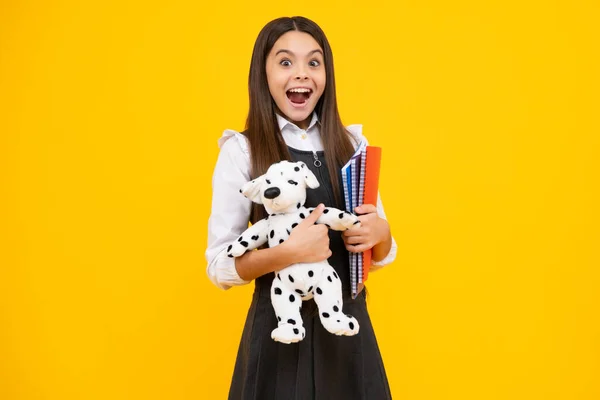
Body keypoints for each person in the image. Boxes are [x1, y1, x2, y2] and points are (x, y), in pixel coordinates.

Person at [205, 16, 398, 400]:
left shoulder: (351, 145)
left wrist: (381, 234)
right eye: (285, 62)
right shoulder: (241, 152)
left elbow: (380, 253)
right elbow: (219, 266)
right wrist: (286, 254)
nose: (302, 74)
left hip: (347, 334)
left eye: (314, 62)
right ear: (263, 74)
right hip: (279, 334)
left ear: (326, 73)